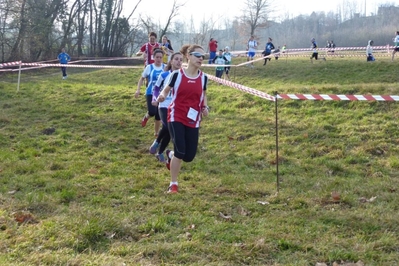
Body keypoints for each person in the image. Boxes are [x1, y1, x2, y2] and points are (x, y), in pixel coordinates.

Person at [157, 44, 209, 194]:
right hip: (176, 115)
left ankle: (170, 155)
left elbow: (203, 95)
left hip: (193, 118)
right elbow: (166, 90)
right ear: (189, 56)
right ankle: (173, 184)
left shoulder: (203, 78)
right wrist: (161, 97)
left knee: (189, 156)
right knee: (180, 150)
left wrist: (205, 107)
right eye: (197, 55)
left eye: (203, 56)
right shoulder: (176, 75)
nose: (201, 59)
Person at [150, 52, 183, 162]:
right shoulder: (164, 75)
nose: (179, 61)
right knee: (168, 126)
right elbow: (156, 88)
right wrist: (155, 99)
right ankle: (157, 143)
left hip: (175, 107)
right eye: (176, 59)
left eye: (181, 60)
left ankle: (159, 152)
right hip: (163, 105)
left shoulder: (182, 75)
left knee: (169, 129)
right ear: (171, 61)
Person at [135, 48, 166, 136]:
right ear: (153, 57)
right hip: (150, 92)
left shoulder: (165, 67)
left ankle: (156, 133)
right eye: (157, 57)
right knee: (152, 112)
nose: (159, 59)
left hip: (161, 94)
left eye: (160, 57)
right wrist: (138, 90)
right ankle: (146, 117)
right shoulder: (149, 67)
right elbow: (141, 79)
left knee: (158, 115)